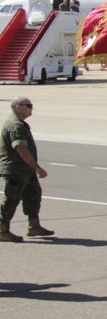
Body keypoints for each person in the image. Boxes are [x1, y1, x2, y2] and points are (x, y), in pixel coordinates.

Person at [0, 98, 52, 242]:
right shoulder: (15, 125)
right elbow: (21, 148)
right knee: (11, 199)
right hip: (15, 170)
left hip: (25, 169)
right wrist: (37, 168)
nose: (31, 109)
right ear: (18, 107)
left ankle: (34, 226)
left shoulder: (20, 124)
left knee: (33, 195)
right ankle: (2, 230)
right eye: (28, 106)